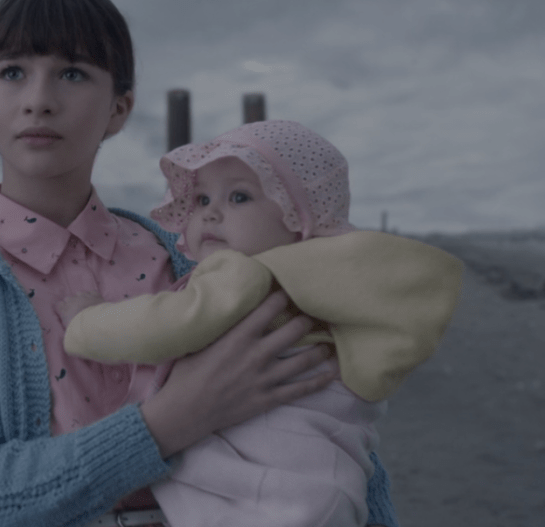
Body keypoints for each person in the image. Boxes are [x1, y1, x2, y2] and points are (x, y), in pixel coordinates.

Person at [0, 0, 400, 527]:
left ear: (120, 109)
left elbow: (326, 433)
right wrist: (176, 418)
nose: (38, 100)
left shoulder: (189, 253)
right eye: (13, 73)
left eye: (73, 73)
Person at [61, 119, 463, 526]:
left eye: (239, 197)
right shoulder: (318, 293)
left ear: (299, 217)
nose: (212, 213)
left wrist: (86, 320)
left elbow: (164, 326)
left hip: (270, 491)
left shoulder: (247, 275)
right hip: (319, 485)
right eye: (200, 200)